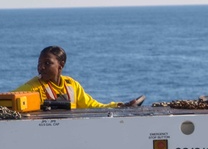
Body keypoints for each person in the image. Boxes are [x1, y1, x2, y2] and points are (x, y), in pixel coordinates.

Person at [15, 46, 144, 109]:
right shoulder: (32, 88)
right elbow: (7, 101)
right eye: (39, 64)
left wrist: (121, 106)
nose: (41, 68)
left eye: (47, 63)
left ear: (61, 65)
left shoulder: (72, 85)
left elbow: (93, 106)